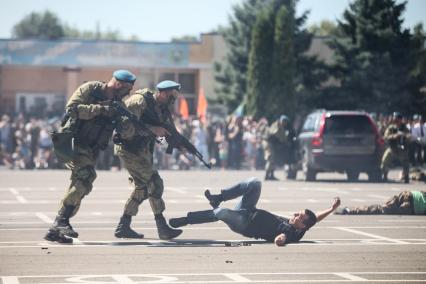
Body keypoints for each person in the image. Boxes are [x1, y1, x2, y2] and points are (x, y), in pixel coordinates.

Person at [44, 70, 136, 243]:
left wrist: (127, 125)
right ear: (117, 84)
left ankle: (55, 230)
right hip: (74, 141)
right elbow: (72, 109)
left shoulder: (118, 104)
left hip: (91, 148)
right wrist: (101, 109)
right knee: (86, 176)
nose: (127, 94)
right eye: (126, 90)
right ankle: (61, 221)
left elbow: (125, 129)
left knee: (81, 185)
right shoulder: (90, 89)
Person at [169, 178, 341, 246]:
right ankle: (219, 197)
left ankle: (186, 219)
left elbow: (282, 239)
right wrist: (331, 209)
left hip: (244, 224)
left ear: (301, 226)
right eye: (298, 212)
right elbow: (314, 219)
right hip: (248, 210)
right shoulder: (303, 226)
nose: (295, 214)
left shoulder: (291, 232)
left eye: (298, 216)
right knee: (255, 184)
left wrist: (280, 240)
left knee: (220, 213)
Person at [113, 80, 183, 240]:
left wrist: (182, 145)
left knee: (142, 189)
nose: (174, 100)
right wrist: (153, 129)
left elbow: (169, 130)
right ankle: (162, 227)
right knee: (155, 183)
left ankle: (123, 226)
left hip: (142, 151)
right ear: (163, 93)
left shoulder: (162, 108)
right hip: (128, 149)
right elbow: (125, 128)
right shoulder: (139, 101)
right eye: (172, 96)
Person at [262, 115, 296, 180]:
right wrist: (284, 141)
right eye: (284, 121)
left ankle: (271, 175)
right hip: (268, 143)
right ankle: (266, 175)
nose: (284, 123)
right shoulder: (277, 125)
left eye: (285, 121)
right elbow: (275, 133)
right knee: (270, 158)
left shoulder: (280, 126)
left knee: (273, 159)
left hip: (271, 143)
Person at [335, 191, 425, 215]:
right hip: (411, 205)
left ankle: (348, 210)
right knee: (380, 209)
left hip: (411, 194)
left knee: (381, 208)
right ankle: (348, 210)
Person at [381, 112, 411, 183]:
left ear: (400, 119)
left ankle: (406, 177)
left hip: (402, 149)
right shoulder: (391, 128)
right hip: (392, 148)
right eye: (394, 119)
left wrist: (405, 136)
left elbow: (409, 136)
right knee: (384, 161)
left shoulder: (405, 128)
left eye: (397, 119)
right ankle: (385, 175)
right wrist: (394, 136)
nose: (395, 120)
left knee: (406, 163)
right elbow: (385, 137)